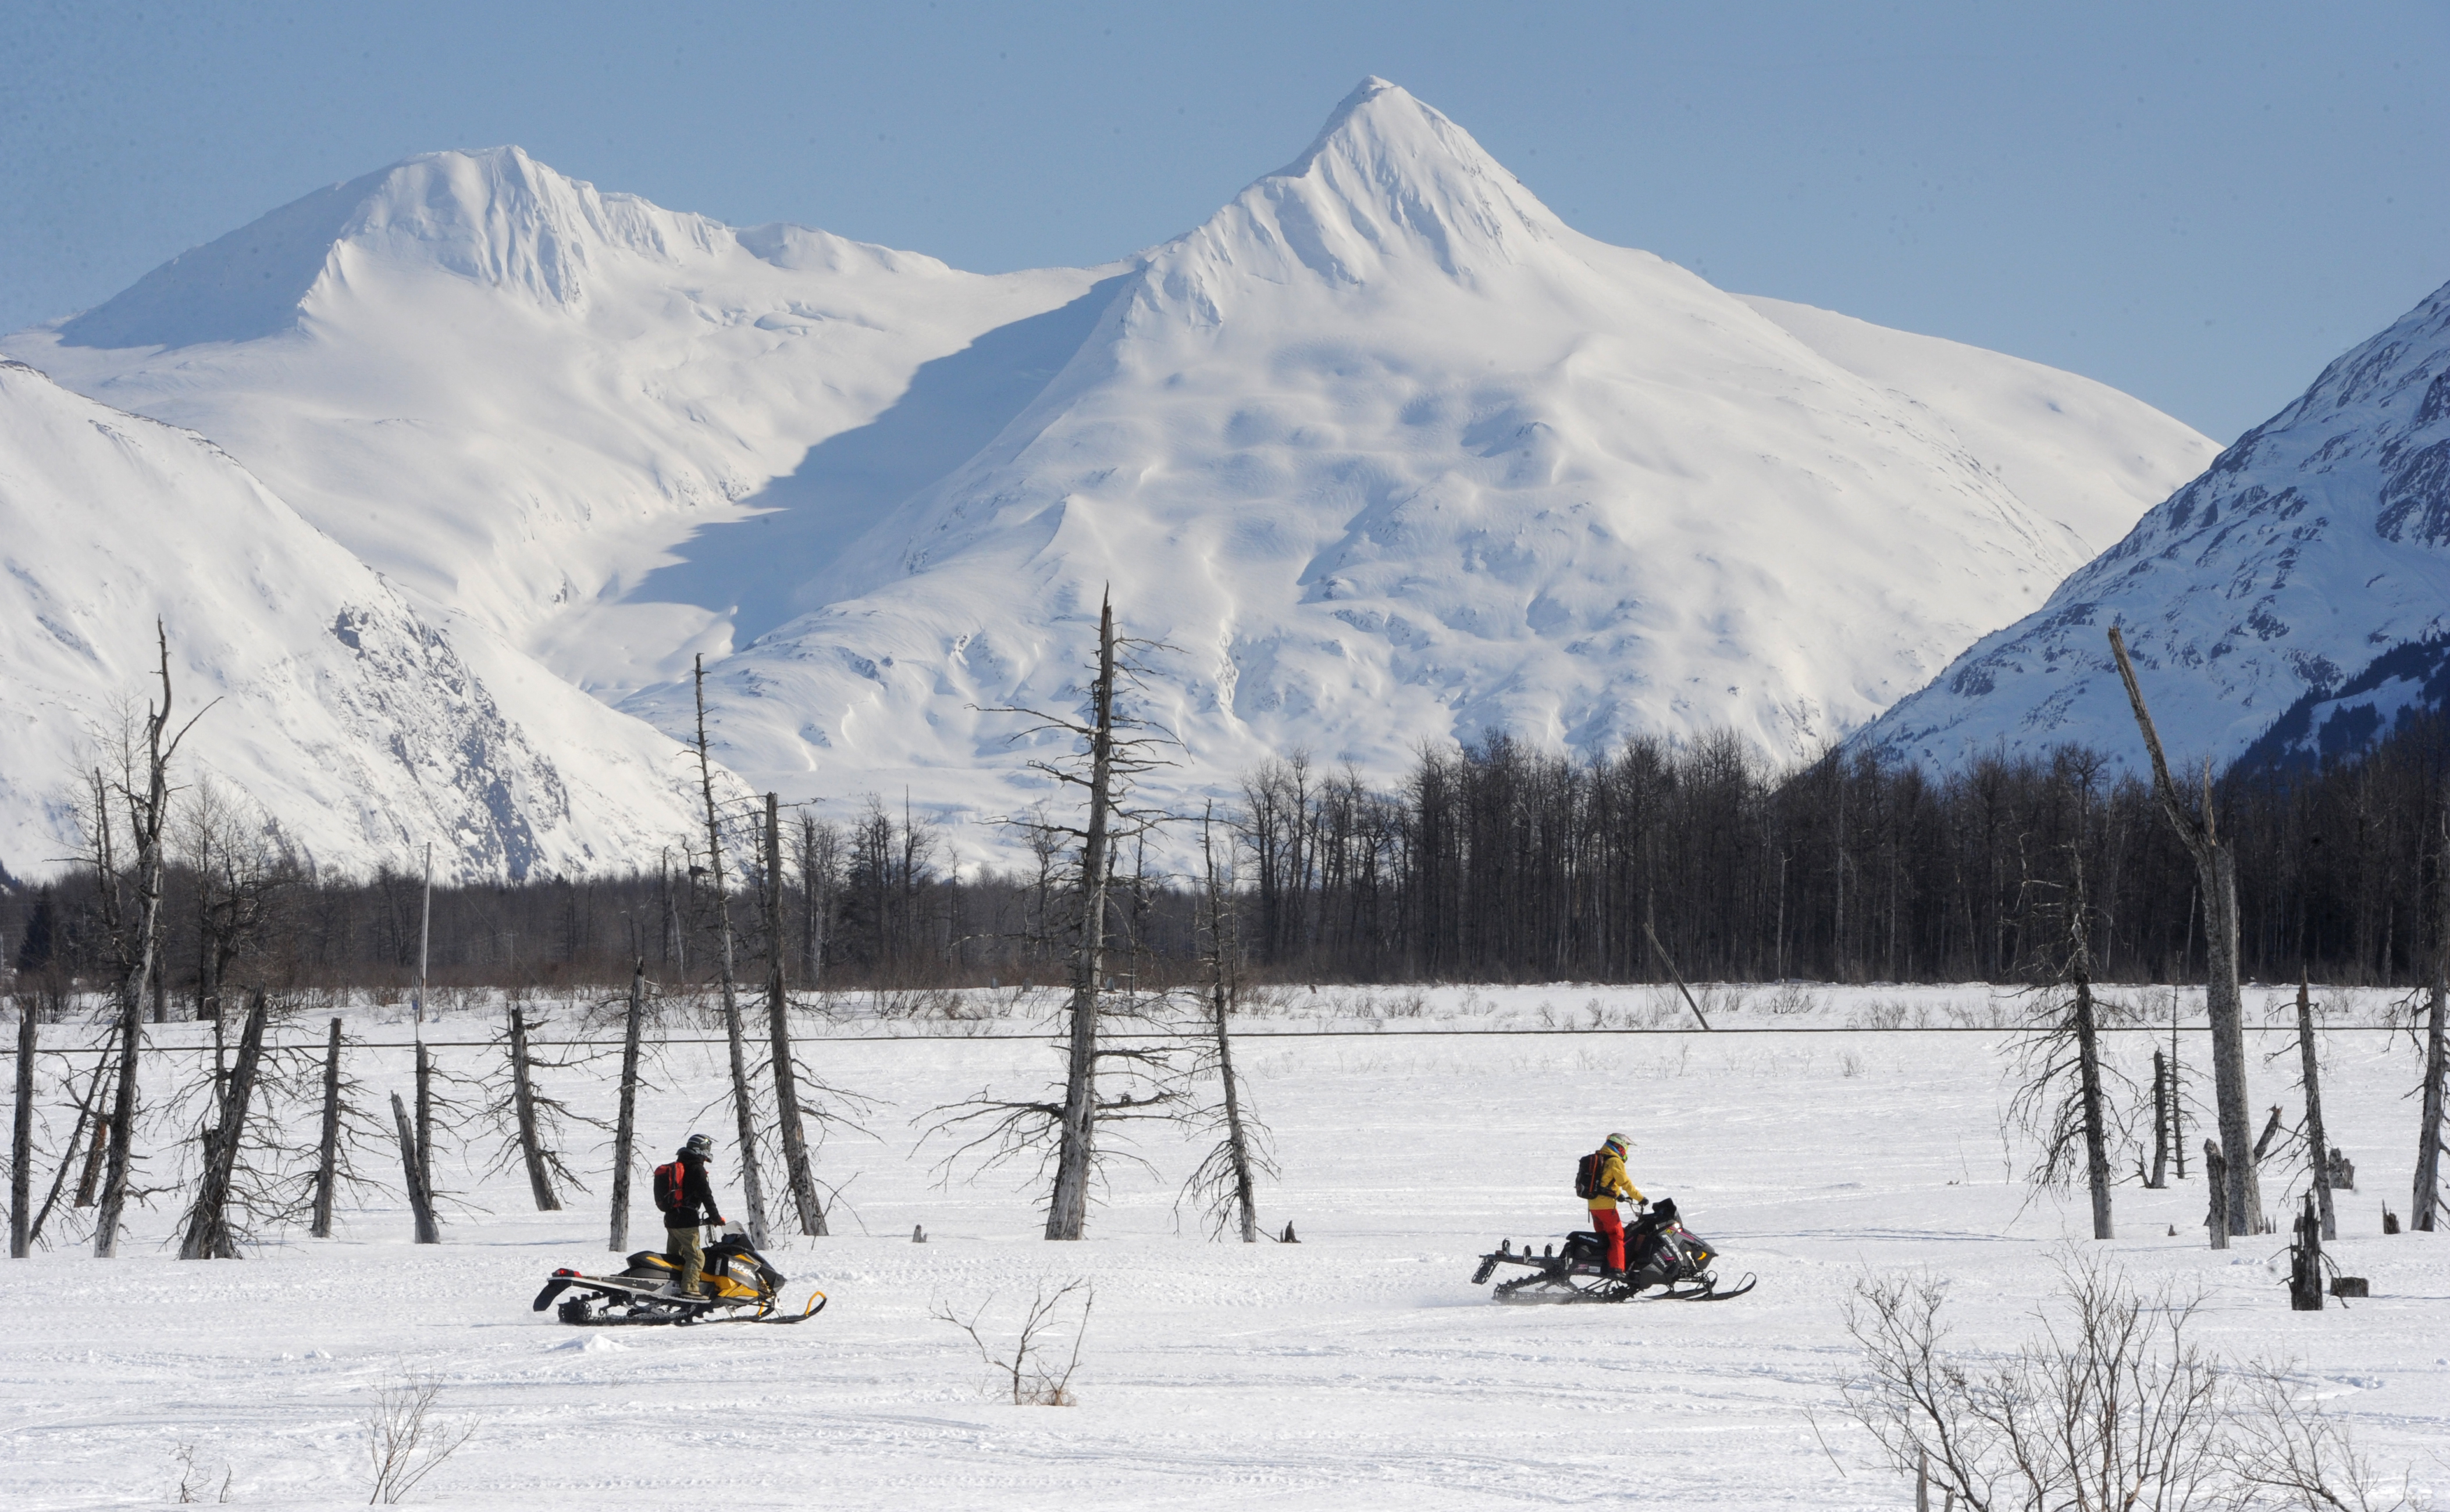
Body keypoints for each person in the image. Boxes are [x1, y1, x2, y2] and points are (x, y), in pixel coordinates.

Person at [664, 1133, 727, 1300]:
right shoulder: (696, 1168)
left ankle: (671, 1287)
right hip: (686, 1220)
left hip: (671, 1219)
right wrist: (716, 1217)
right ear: (701, 1150)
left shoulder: (680, 1164)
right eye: (707, 1149)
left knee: (675, 1257)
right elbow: (706, 1195)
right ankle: (690, 1290)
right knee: (696, 1256)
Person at [1583, 1132, 1644, 1277]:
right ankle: (1617, 1269)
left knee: (1603, 1237)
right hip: (1606, 1207)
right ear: (1619, 1146)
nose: (1626, 1151)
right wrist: (1640, 1198)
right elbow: (1625, 1183)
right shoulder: (1614, 1161)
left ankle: (1603, 1265)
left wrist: (1618, 1196)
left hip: (1593, 1206)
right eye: (1626, 1147)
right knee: (1617, 1236)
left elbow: (1604, 1183)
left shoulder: (1601, 1158)